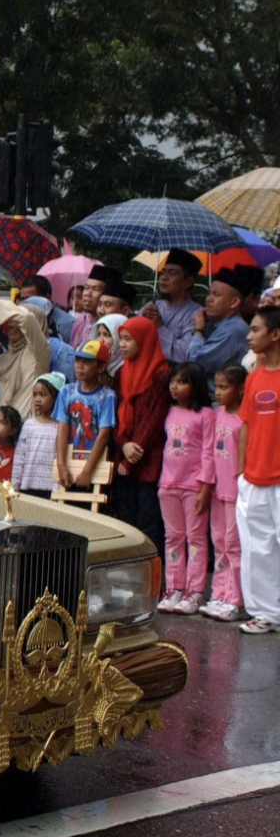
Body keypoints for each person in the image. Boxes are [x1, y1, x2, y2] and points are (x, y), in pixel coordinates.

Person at [156, 362, 214, 616]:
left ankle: (195, 591)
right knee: (173, 537)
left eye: (181, 382)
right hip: (168, 484)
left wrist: (204, 488)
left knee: (196, 539)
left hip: (193, 486)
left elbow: (209, 451)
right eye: (173, 381)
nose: (174, 386)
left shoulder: (205, 415)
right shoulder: (169, 411)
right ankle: (174, 587)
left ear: (196, 385)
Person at [111, 316, 171, 554]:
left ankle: (152, 580)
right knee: (125, 521)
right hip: (123, 456)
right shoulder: (120, 374)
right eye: (121, 339)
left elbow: (154, 419)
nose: (122, 345)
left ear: (144, 340)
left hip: (148, 460)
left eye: (128, 339)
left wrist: (130, 455)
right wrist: (123, 445)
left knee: (148, 523)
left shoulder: (161, 375)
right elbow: (114, 417)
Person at [237, 307, 280, 633]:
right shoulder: (252, 378)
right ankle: (266, 613)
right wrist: (241, 473)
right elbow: (246, 428)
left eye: (255, 329)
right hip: (254, 477)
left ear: (275, 334)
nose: (249, 336)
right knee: (257, 549)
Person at [200, 364, 248, 622]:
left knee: (234, 546)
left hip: (235, 492)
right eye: (216, 387)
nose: (218, 392)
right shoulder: (216, 415)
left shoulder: (245, 420)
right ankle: (219, 593)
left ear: (240, 389)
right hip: (217, 491)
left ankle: (236, 599)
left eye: (224, 387)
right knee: (218, 543)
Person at [53, 339, 116, 496]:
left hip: (94, 466)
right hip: (68, 462)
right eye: (77, 360)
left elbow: (103, 435)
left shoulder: (107, 396)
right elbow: (62, 428)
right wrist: (61, 464)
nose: (79, 366)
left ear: (101, 367)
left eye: (86, 362)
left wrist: (88, 470)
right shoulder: (66, 392)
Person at [0, 298, 50, 418]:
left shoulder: (39, 353)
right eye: (10, 321)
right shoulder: (7, 357)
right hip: (4, 428)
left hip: (26, 428)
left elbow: (26, 318)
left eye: (16, 321)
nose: (11, 324)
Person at [187, 266, 251, 380]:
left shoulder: (233, 329)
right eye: (208, 293)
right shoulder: (214, 322)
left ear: (234, 302)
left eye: (216, 294)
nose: (208, 299)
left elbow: (194, 362)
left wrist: (198, 331)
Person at [140, 249, 203, 363]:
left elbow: (186, 354)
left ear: (188, 281)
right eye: (163, 272)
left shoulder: (197, 314)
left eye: (172, 273)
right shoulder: (152, 306)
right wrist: (140, 321)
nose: (164, 277)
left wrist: (159, 328)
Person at [12, 374, 64, 498]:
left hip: (50, 488)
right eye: (35, 395)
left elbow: (59, 457)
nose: (37, 399)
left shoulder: (61, 428)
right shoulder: (28, 425)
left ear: (56, 397)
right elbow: (19, 457)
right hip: (27, 485)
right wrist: (15, 486)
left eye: (43, 394)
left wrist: (57, 488)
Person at [71, 264, 120, 347]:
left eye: (95, 289)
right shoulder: (78, 321)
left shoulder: (110, 327)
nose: (88, 293)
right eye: (86, 288)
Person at [21, 274, 76, 340]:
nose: (25, 303)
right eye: (22, 299)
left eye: (30, 299)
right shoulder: (20, 319)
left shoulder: (67, 324)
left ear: (47, 298)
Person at [94, 313, 128, 382]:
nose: (100, 340)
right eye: (98, 334)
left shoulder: (126, 372)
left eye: (106, 335)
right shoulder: (93, 362)